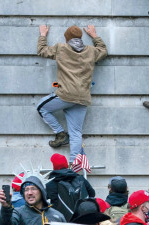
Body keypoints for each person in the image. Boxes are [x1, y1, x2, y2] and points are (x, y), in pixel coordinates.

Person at [36, 24, 108, 158]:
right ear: (81, 37)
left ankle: (60, 133)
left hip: (65, 95)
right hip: (83, 99)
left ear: (66, 38)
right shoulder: (91, 51)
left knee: (41, 107)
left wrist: (43, 35)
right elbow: (103, 50)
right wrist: (94, 36)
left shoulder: (61, 48)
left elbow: (42, 50)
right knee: (76, 133)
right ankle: (74, 165)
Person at [0, 174, 66, 225]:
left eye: (33, 189)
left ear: (41, 191)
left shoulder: (58, 216)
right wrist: (6, 207)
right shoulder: (19, 213)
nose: (29, 193)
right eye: (26, 190)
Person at [44, 154, 96, 220]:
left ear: (54, 167)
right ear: (66, 165)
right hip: (80, 218)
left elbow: (42, 199)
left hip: (60, 220)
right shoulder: (80, 178)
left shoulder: (51, 184)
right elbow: (92, 193)